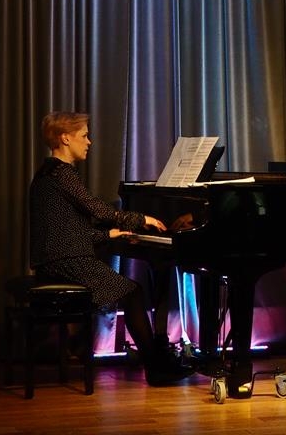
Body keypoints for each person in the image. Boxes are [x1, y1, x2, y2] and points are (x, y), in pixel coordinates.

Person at [29, 111, 192, 386]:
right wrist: (142, 219)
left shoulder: (48, 173)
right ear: (65, 138)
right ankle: (155, 368)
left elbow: (64, 230)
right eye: (84, 136)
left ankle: (145, 359)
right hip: (64, 261)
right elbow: (98, 210)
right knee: (132, 292)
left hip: (55, 257)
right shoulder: (62, 174)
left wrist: (108, 234)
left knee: (130, 291)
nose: (89, 142)